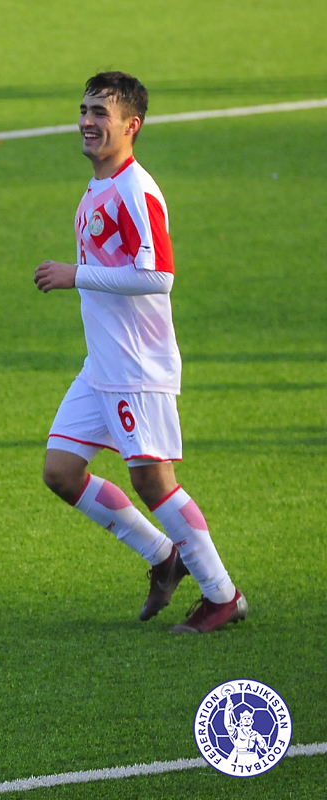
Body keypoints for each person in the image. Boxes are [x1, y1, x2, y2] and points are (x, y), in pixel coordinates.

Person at [34, 71, 247, 634]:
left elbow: (159, 275)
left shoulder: (135, 189)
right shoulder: (98, 187)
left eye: (101, 113)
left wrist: (75, 274)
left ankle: (222, 595)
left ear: (132, 125)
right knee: (60, 471)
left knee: (154, 480)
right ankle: (163, 556)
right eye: (84, 110)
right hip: (102, 364)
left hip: (136, 365)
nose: (86, 121)